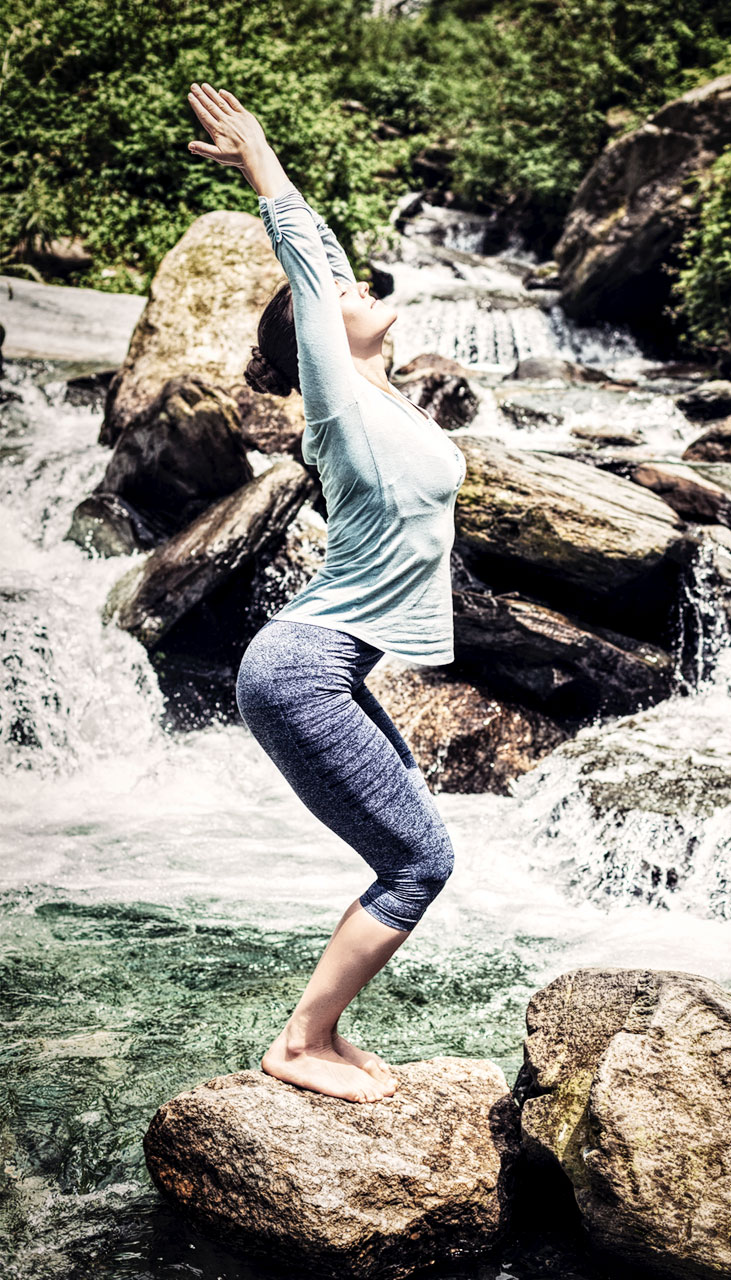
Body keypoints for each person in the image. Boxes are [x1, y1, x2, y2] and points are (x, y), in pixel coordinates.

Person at [186, 82, 466, 1104]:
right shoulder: (338, 404)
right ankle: (300, 1040)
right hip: (302, 669)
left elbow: (334, 263)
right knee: (421, 862)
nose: (358, 282)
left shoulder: (383, 395)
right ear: (311, 329)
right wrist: (260, 155)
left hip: (325, 668)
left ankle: (324, 1031)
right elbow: (311, 256)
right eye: (339, 287)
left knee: (417, 847)